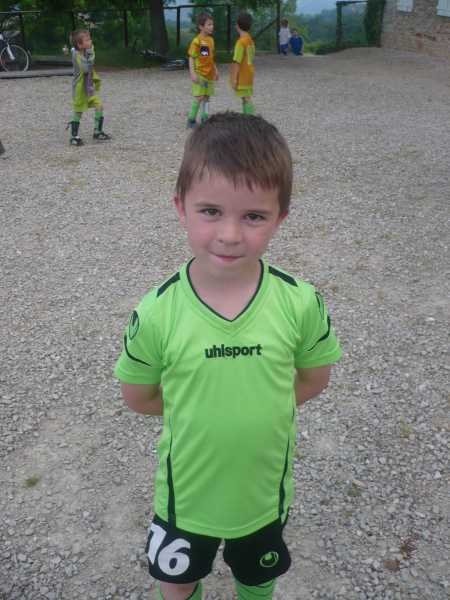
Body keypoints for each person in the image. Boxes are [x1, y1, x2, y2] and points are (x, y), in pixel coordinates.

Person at [114, 112, 342, 600]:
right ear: (181, 207)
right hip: (184, 497)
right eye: (211, 211)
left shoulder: (301, 302)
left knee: (256, 580)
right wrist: (199, 407)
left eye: (253, 216)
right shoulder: (155, 312)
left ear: (281, 217)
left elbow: (313, 379)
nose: (231, 234)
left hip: (263, 496)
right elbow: (138, 396)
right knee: (176, 583)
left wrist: (259, 405)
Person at [65, 30, 110, 146]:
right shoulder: (77, 56)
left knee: (99, 106)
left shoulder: (87, 51)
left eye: (90, 39)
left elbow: (91, 59)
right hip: (80, 90)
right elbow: (86, 68)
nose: (91, 41)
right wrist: (90, 54)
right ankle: (74, 137)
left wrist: (90, 51)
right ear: (80, 45)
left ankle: (97, 131)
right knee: (78, 111)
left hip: (89, 88)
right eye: (87, 40)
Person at [187, 13, 218, 129]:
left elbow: (210, 57)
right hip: (200, 74)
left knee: (207, 97)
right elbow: (191, 57)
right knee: (200, 96)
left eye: (212, 24)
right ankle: (191, 120)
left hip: (209, 75)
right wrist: (192, 73)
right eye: (209, 24)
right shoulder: (197, 41)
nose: (211, 26)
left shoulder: (211, 40)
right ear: (201, 27)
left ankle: (205, 118)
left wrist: (215, 70)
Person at [230, 13, 256, 115]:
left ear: (237, 25)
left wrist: (234, 79)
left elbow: (237, 62)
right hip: (250, 73)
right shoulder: (250, 40)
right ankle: (246, 118)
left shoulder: (240, 42)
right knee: (245, 97)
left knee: (246, 98)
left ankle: (251, 120)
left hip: (243, 75)